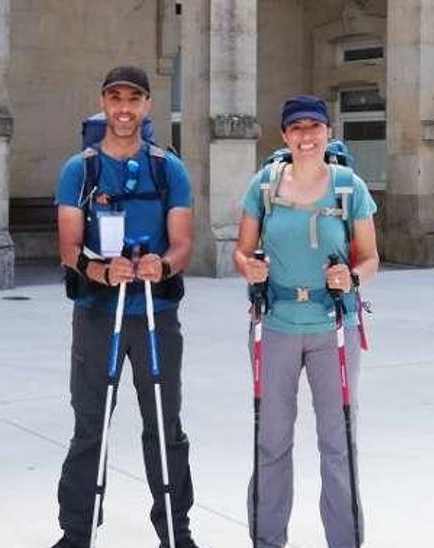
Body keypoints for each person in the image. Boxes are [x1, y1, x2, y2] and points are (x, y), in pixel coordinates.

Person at [49, 65, 203, 548]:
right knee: (90, 425)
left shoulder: (168, 168)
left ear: (146, 106)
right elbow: (68, 248)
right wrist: (100, 270)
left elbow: (182, 244)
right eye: (115, 98)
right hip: (98, 314)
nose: (124, 108)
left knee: (165, 426)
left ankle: (176, 533)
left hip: (156, 315)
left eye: (133, 99)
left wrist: (165, 265)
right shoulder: (81, 169)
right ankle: (76, 534)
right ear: (103, 101)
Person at [233, 94, 380, 548]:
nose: (306, 136)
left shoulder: (349, 187)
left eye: (314, 127)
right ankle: (268, 540)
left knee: (337, 443)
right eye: (296, 128)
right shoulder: (264, 185)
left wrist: (350, 277)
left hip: (332, 326)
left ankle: (345, 542)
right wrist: (248, 266)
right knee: (271, 441)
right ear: (285, 135)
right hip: (276, 324)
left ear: (328, 133)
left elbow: (372, 258)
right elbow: (241, 251)